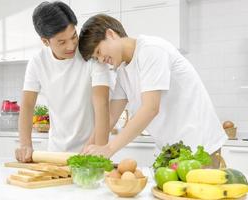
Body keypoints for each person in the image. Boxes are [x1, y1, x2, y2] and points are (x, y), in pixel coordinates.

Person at [78, 14, 228, 167]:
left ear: (111, 34)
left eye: (98, 52)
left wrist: (109, 149)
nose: (101, 60)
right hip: (173, 152)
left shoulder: (151, 50)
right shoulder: (122, 71)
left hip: (200, 146)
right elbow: (110, 116)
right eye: (96, 59)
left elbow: (150, 108)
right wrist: (86, 150)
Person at [16, 2, 110, 163]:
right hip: (55, 154)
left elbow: (102, 105)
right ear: (45, 41)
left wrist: (100, 150)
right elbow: (27, 105)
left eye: (74, 36)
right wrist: (25, 144)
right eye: (62, 42)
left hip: (90, 151)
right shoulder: (37, 62)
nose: (71, 45)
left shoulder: (91, 54)